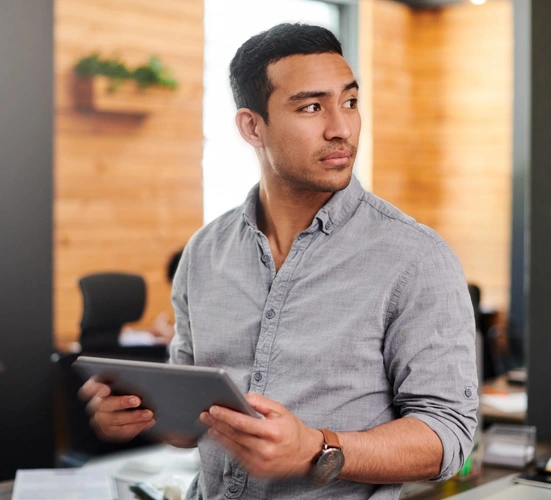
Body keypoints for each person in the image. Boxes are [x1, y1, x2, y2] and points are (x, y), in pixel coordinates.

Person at [81, 23, 478, 499]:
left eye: (349, 101)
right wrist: (137, 414)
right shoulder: (204, 253)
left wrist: (317, 450)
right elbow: (190, 425)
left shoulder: (417, 259)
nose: (341, 128)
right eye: (312, 107)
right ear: (252, 126)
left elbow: (450, 436)